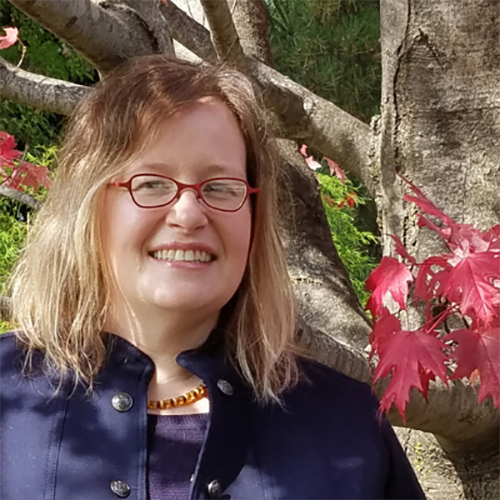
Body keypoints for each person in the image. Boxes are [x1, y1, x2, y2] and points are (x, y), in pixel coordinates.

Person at [0, 55, 426, 500]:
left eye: (221, 187)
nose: (188, 214)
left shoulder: (345, 425)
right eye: (151, 183)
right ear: (90, 207)